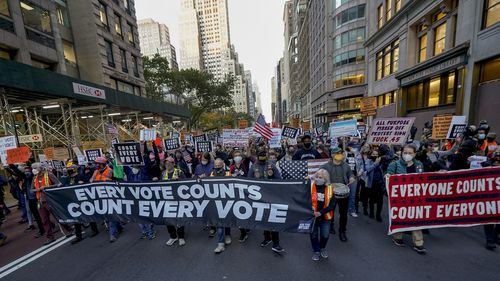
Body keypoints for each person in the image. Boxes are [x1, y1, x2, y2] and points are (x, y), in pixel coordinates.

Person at [387, 144, 427, 254]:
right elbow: (389, 175)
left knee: (416, 218)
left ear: (414, 154)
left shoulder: (419, 165)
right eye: (405, 152)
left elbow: (422, 178)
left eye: (410, 153)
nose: (407, 155)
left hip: (414, 196)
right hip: (399, 197)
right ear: (401, 152)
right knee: (400, 216)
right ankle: (397, 236)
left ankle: (418, 243)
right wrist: (388, 177)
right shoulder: (394, 164)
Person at [248, 146, 285, 253]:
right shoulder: (253, 167)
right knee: (264, 219)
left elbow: (279, 180)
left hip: (272, 197)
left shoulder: (272, 166)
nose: (262, 156)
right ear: (257, 155)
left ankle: (276, 243)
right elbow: (247, 182)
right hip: (259, 198)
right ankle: (267, 238)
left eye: (264, 154)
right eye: (260, 154)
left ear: (267, 155)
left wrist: (272, 176)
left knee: (273, 219)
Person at [320, 147, 355, 242]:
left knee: (343, 214)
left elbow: (350, 174)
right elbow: (319, 177)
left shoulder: (346, 166)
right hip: (330, 193)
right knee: (329, 211)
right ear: (332, 155)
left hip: (344, 194)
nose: (340, 154)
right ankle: (330, 226)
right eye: (338, 153)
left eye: (341, 153)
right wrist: (325, 183)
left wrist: (351, 178)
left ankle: (342, 231)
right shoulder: (325, 167)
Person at [32, 162, 72, 245]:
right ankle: (50, 237)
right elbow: (31, 189)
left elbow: (58, 184)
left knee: (57, 216)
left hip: (50, 200)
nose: (33, 170)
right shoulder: (34, 178)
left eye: (35, 168)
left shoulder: (49, 174)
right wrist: (35, 190)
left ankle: (68, 230)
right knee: (44, 220)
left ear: (39, 168)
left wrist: (46, 187)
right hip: (40, 201)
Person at [91, 156, 121, 242]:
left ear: (101, 164)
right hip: (99, 195)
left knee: (110, 215)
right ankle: (119, 226)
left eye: (97, 163)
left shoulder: (109, 170)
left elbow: (108, 180)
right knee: (109, 214)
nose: (95, 165)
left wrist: (98, 179)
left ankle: (113, 234)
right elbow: (91, 180)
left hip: (109, 195)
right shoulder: (96, 171)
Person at [309, 169, 336, 261]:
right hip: (313, 217)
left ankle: (322, 248)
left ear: (325, 179)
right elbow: (304, 200)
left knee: (325, 235)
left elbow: (332, 205)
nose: (317, 179)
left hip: (325, 217)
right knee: (313, 235)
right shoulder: (310, 187)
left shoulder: (330, 189)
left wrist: (321, 212)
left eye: (320, 177)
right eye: (316, 176)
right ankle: (316, 251)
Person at [162, 157, 187, 246]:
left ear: (173, 164)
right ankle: (173, 236)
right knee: (168, 219)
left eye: (169, 163)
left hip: (178, 199)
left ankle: (181, 236)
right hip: (167, 200)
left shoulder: (179, 172)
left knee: (179, 219)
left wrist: (179, 180)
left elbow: (186, 184)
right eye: (166, 163)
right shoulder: (163, 173)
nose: (167, 164)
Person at [229, 150, 250, 243]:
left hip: (246, 191)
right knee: (238, 211)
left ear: (241, 157)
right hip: (236, 192)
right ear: (233, 158)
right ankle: (243, 233)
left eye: (239, 155)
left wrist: (249, 146)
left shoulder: (245, 164)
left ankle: (247, 226)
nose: (237, 157)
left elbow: (249, 156)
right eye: (235, 155)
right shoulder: (231, 167)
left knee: (247, 210)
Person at [212, 158, 232, 253]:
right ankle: (220, 244)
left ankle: (227, 235)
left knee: (226, 221)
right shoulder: (211, 174)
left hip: (226, 202)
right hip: (216, 202)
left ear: (223, 164)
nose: (217, 167)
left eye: (219, 165)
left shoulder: (228, 174)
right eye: (215, 165)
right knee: (219, 224)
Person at [364, 148, 385, 222]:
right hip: (371, 183)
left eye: (377, 154)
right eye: (373, 154)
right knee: (372, 200)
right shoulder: (368, 161)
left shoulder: (381, 161)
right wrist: (375, 163)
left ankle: (378, 215)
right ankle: (371, 213)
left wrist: (389, 146)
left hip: (380, 183)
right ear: (371, 155)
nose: (375, 155)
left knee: (380, 201)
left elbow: (390, 156)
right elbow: (368, 169)